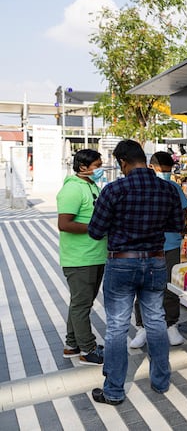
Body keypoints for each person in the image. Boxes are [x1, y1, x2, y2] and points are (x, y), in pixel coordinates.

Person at [87, 140, 184, 405]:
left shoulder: (114, 190)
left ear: (122, 162)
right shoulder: (168, 189)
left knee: (117, 326)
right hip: (155, 262)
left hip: (121, 263)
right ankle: (161, 382)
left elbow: (95, 231)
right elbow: (177, 226)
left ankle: (114, 391)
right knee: (156, 320)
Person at [129, 152, 187, 349]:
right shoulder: (141, 187)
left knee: (170, 285)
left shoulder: (174, 187)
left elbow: (183, 211)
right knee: (143, 284)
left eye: (168, 171)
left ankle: (171, 324)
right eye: (162, 170)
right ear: (151, 166)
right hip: (145, 245)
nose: (165, 174)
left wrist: (179, 227)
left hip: (170, 244)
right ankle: (142, 326)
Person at [57, 149, 108, 366]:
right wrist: (95, 228)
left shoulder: (89, 185)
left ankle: (72, 345)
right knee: (82, 305)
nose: (100, 169)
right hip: (80, 259)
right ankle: (87, 350)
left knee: (79, 303)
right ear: (83, 167)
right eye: (97, 165)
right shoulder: (72, 189)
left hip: (93, 256)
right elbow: (64, 224)